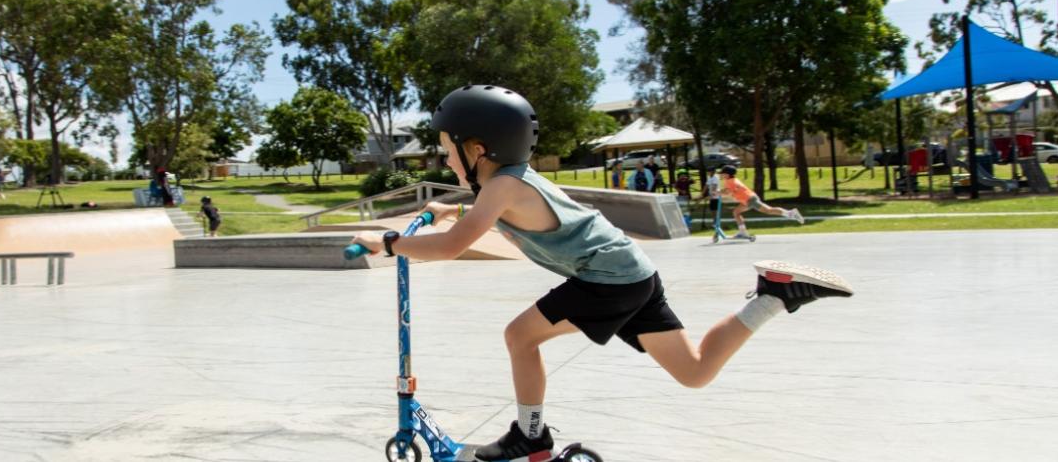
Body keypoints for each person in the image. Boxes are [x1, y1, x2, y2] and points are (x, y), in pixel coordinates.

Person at [350, 86, 853, 461]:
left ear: (477, 149)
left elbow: (457, 246)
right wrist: (448, 210)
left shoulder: (501, 188)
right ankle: (773, 295)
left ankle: (530, 437)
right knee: (694, 371)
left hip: (608, 279)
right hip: (633, 273)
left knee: (520, 336)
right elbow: (490, 219)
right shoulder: (510, 182)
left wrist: (389, 241)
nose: (444, 158)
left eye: (447, 148)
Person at [719, 165, 803, 238]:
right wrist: (720, 192)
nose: (721, 174)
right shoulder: (731, 181)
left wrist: (717, 192)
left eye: (722, 173)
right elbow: (728, 191)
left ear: (727, 174)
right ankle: (742, 232)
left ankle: (791, 213)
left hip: (750, 200)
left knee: (768, 210)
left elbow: (727, 192)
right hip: (748, 199)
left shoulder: (730, 182)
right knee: (736, 212)